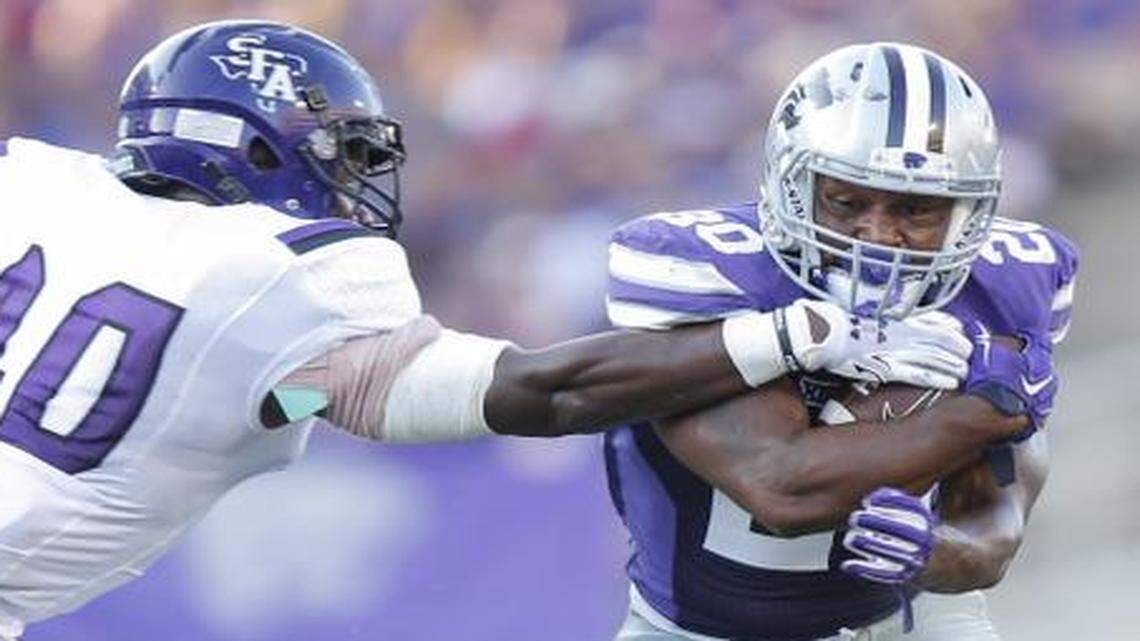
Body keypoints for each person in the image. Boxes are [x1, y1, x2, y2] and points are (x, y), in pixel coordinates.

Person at [0, 24, 983, 640]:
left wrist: (275, 398)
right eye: (340, 148)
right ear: (254, 141)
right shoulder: (285, 269)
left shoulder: (28, 177)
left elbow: (290, 389)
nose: (354, 177)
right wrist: (780, 337)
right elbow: (539, 391)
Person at [603, 43, 1078, 641]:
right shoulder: (716, 272)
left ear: (968, 213)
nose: (877, 234)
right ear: (795, 185)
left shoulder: (1005, 285)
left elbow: (995, 523)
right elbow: (781, 488)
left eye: (916, 208)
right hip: (698, 630)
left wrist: (936, 550)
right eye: (847, 201)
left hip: (903, 620)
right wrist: (990, 408)